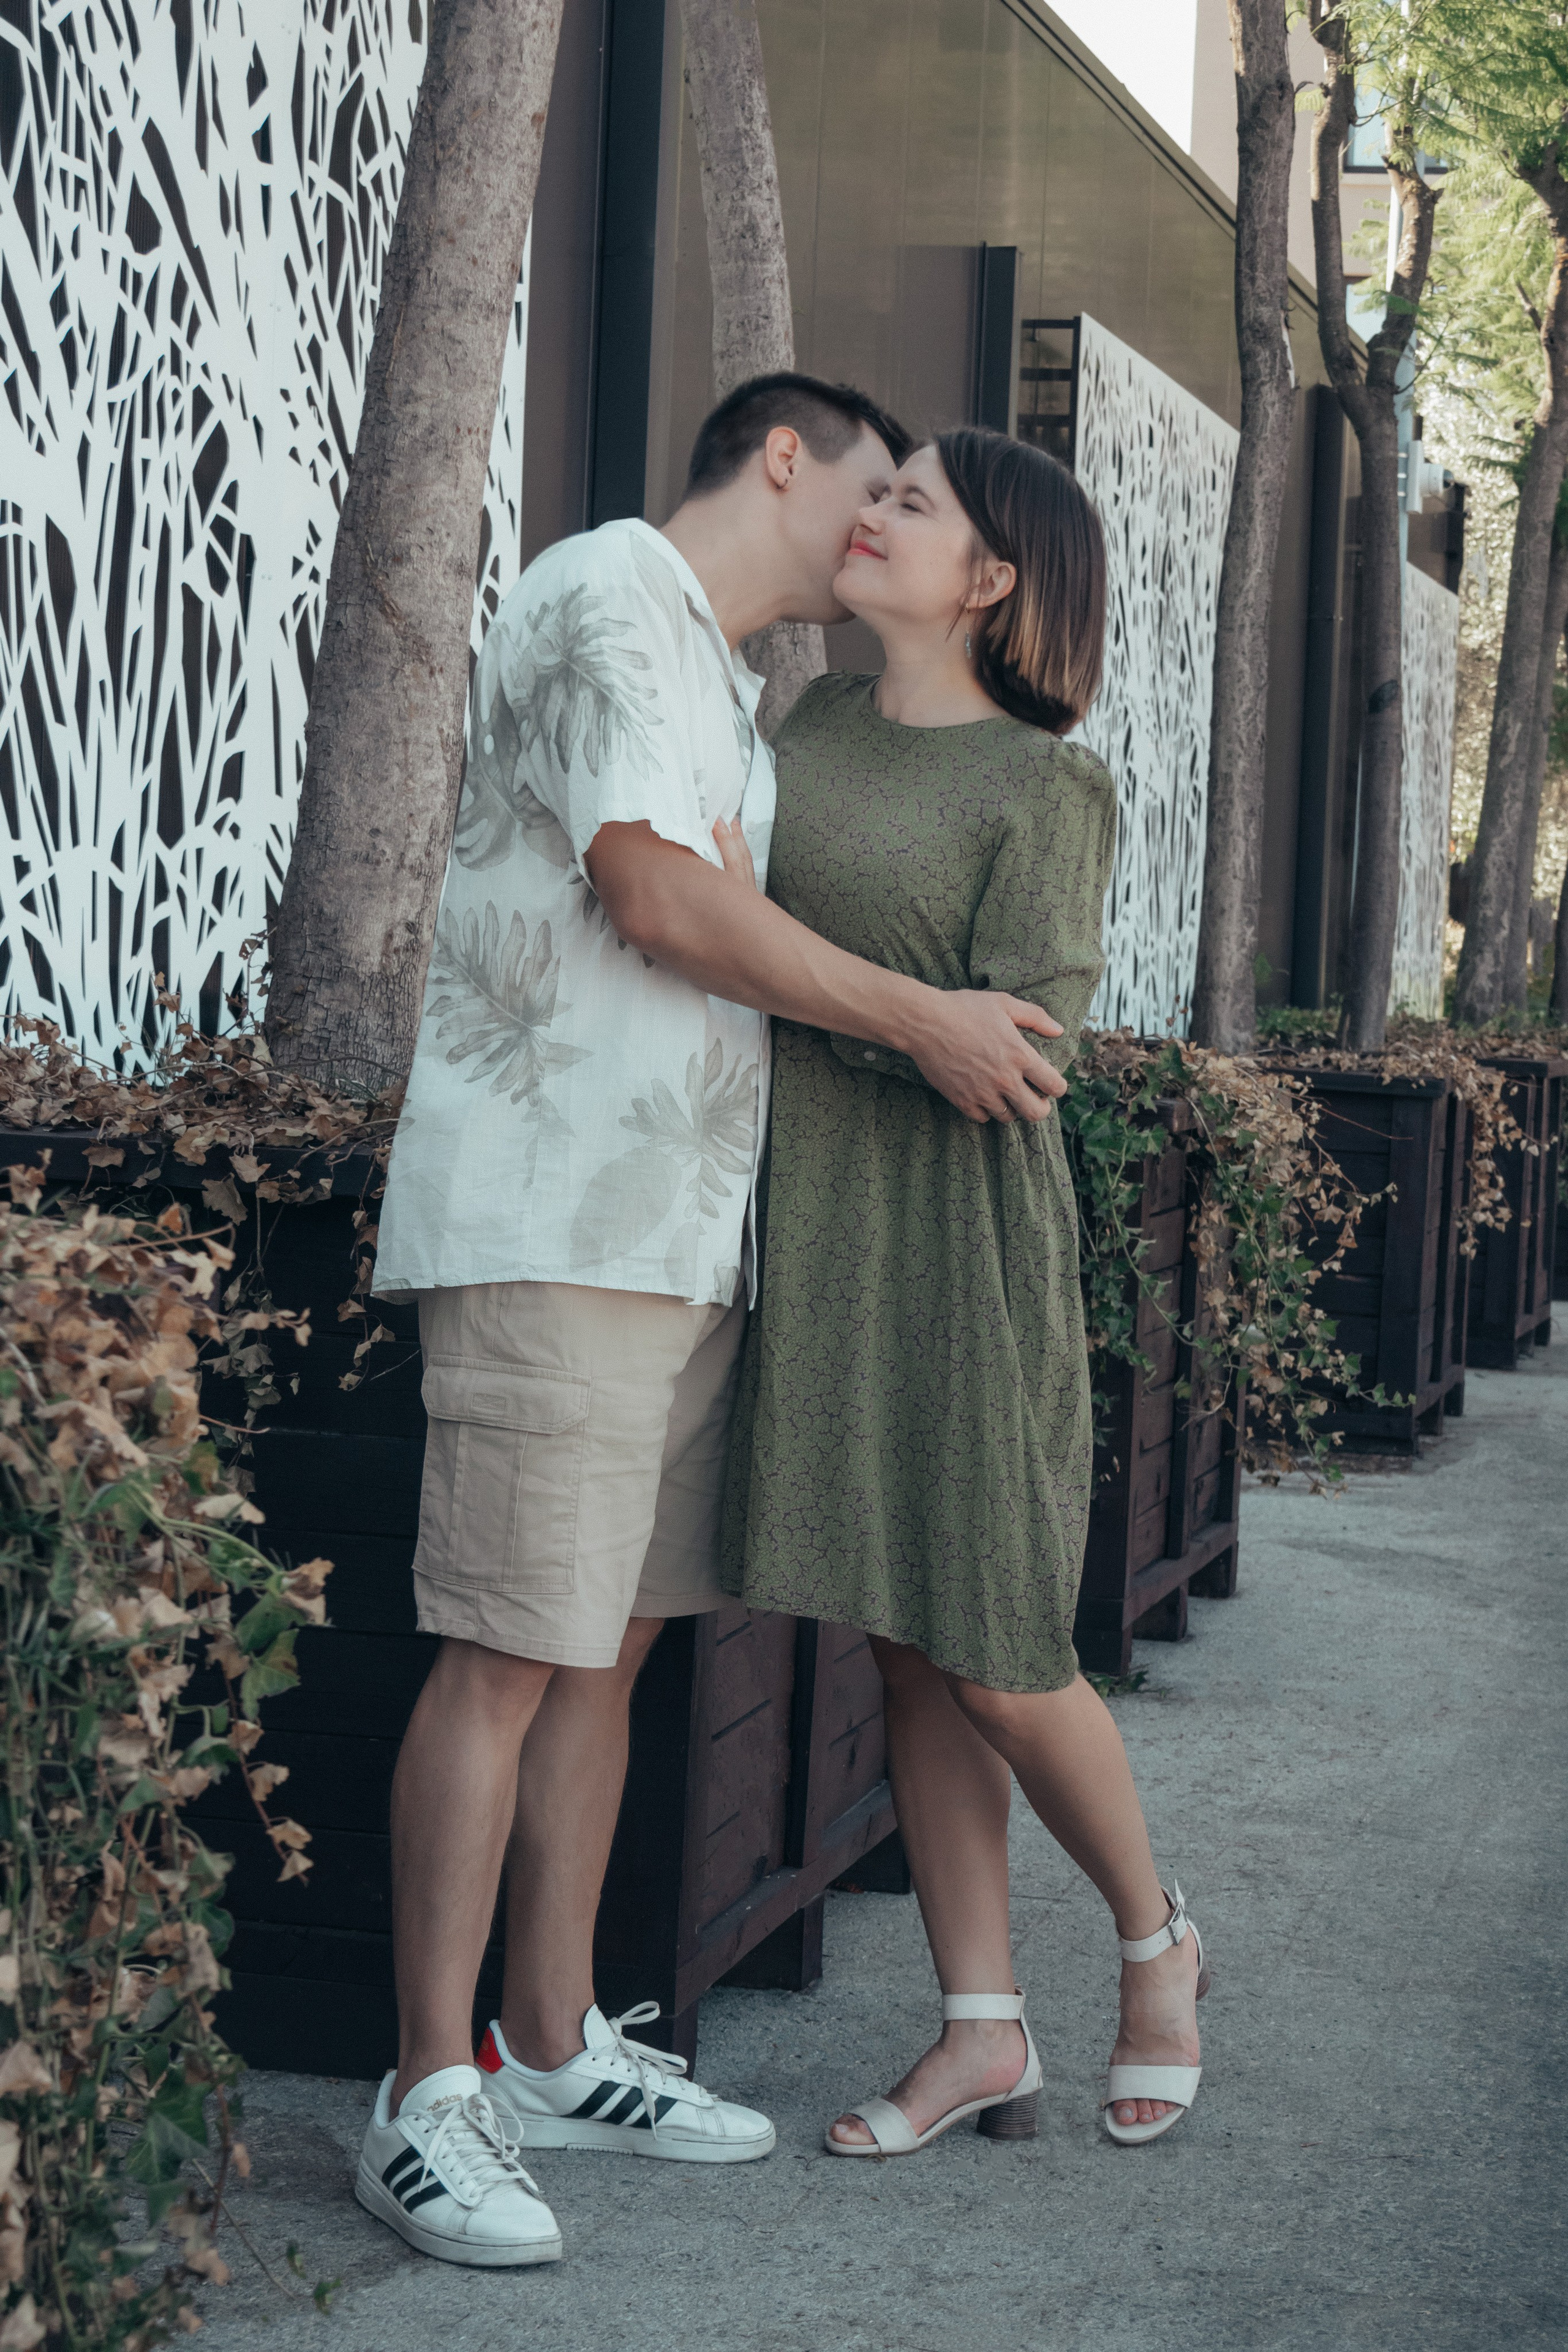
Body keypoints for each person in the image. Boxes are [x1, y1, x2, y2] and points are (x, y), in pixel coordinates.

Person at [359, 377, 1076, 2267]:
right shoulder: (609, 588)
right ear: (784, 455)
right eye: (874, 481)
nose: (876, 521)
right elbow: (658, 900)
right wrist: (919, 1015)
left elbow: (732, 902)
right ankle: (429, 2092)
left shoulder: (738, 693)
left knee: (608, 1655)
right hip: (558, 1216)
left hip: (684, 1231)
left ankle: (553, 2043)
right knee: (506, 1653)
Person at [718, 428, 1210, 2159]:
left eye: (913, 502)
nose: (873, 513)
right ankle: (981, 2029)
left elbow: (1009, 1057)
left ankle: (1158, 1952)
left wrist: (839, 995)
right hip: (819, 1222)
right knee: (907, 1642)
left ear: (989, 580)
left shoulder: (1046, 787)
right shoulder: (813, 727)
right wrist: (886, 1005)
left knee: (1001, 1648)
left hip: (960, 1243)